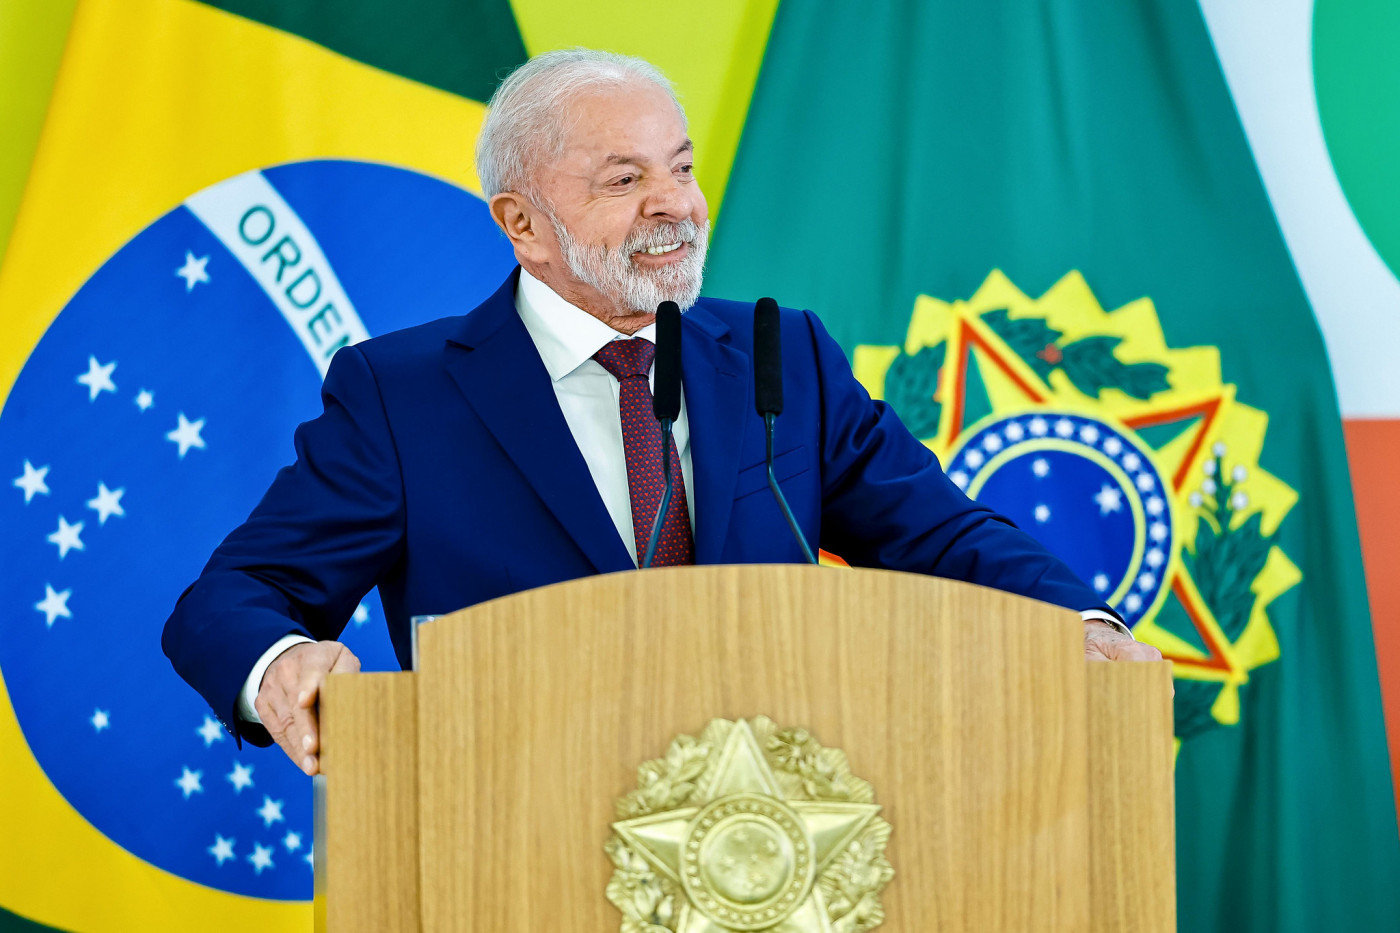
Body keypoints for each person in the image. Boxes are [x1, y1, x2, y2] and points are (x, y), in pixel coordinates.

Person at [162, 49, 1162, 778]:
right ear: (520, 223)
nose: (674, 205)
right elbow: (230, 598)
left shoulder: (781, 357)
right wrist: (283, 662)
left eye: (679, 166)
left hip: (776, 834)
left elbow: (941, 535)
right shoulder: (404, 393)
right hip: (512, 839)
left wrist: (1072, 624)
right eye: (624, 179)